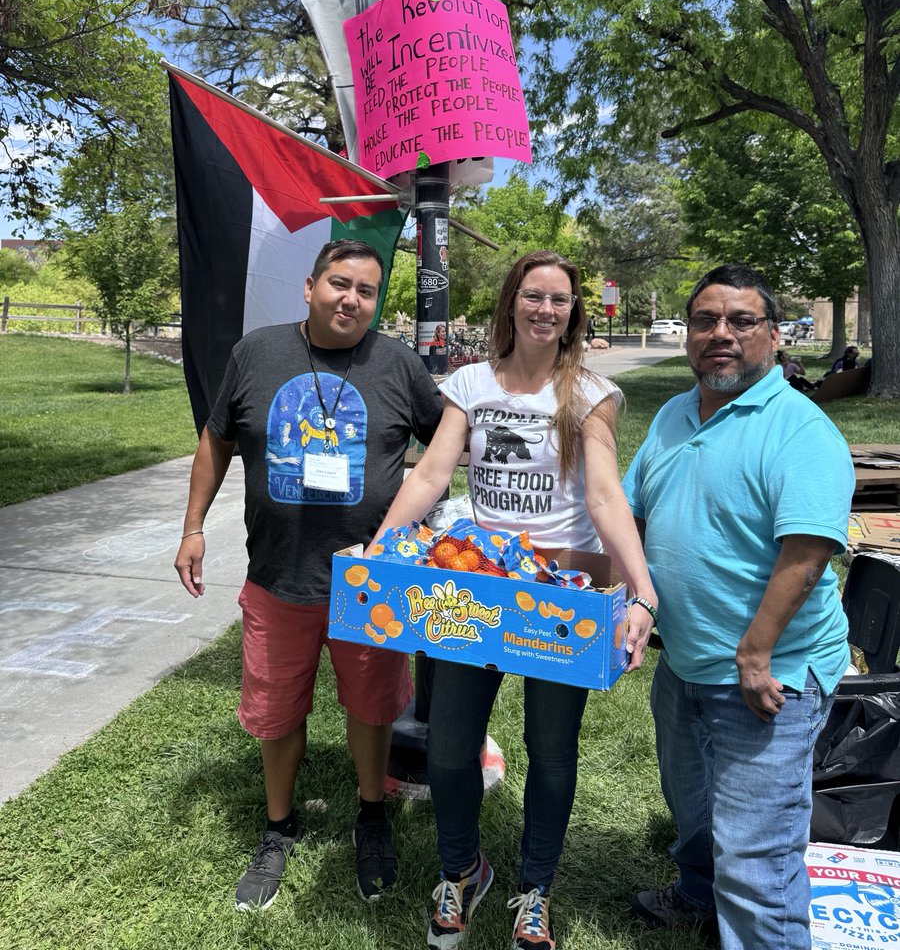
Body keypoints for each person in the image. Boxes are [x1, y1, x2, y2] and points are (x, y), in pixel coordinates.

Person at [368, 249, 658, 950]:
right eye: (533, 296)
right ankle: (463, 871)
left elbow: (602, 495)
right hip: (474, 584)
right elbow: (433, 471)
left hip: (562, 591)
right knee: (449, 748)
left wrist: (642, 593)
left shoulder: (589, 394)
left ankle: (537, 888)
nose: (545, 310)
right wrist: (380, 547)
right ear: (511, 303)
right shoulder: (470, 384)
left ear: (572, 314)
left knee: (551, 750)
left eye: (559, 300)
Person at [174, 239, 443, 911]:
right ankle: (278, 825)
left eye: (367, 290)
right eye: (339, 283)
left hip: (369, 585)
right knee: (275, 711)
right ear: (309, 286)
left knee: (373, 705)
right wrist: (193, 525)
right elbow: (217, 439)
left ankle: (372, 813)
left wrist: (424, 525)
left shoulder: (397, 362)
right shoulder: (256, 353)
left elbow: (447, 440)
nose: (352, 299)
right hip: (278, 578)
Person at [622, 263, 854, 950]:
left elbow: (808, 553)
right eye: (705, 321)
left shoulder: (799, 430)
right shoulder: (673, 413)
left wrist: (754, 655)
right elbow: (632, 515)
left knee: (758, 859)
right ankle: (698, 894)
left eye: (740, 321)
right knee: (693, 813)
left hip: (767, 676)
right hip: (686, 664)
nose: (719, 334)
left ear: (775, 337)